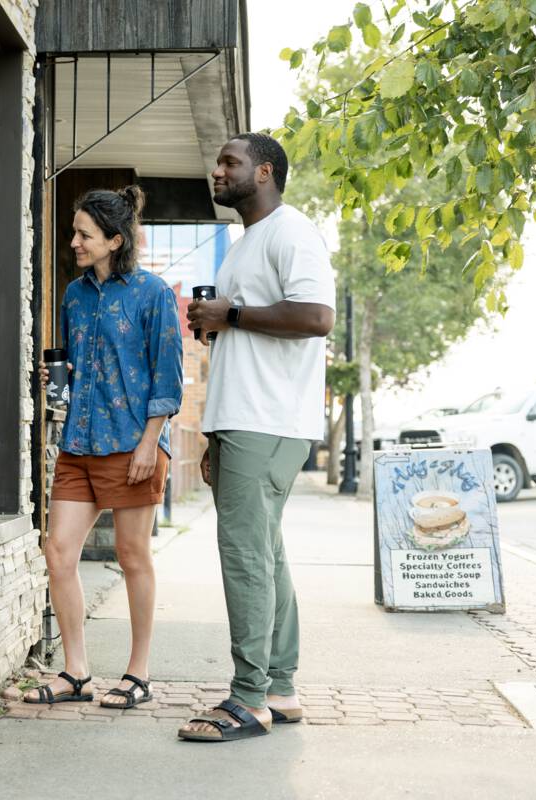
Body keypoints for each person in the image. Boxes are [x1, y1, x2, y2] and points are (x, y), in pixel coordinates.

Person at [179, 133, 336, 742]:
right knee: (264, 552)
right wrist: (220, 325)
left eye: (229, 163)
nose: (217, 171)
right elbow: (249, 333)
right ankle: (280, 688)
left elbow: (317, 317)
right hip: (244, 420)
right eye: (218, 163)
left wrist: (232, 316)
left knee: (245, 556)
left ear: (263, 172)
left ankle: (248, 699)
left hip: (268, 420)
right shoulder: (246, 245)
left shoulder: (292, 232)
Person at [24, 186, 183, 710]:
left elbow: (167, 377)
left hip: (131, 443)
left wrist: (149, 442)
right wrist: (55, 381)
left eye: (84, 235)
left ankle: (138, 673)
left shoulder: (153, 294)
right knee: (58, 552)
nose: (73, 242)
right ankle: (76, 672)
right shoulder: (73, 295)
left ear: (115, 240)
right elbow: (72, 369)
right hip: (79, 442)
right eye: (74, 232)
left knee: (131, 554)